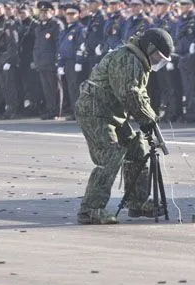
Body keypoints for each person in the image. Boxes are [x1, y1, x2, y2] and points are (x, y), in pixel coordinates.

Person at [75, 28, 173, 225]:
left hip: (112, 113)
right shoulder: (127, 59)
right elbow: (130, 94)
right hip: (95, 112)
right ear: (149, 47)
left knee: (137, 149)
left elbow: (140, 94)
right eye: (156, 56)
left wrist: (150, 117)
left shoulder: (138, 61)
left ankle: (137, 202)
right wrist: (145, 118)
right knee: (110, 154)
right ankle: (90, 209)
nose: (156, 61)